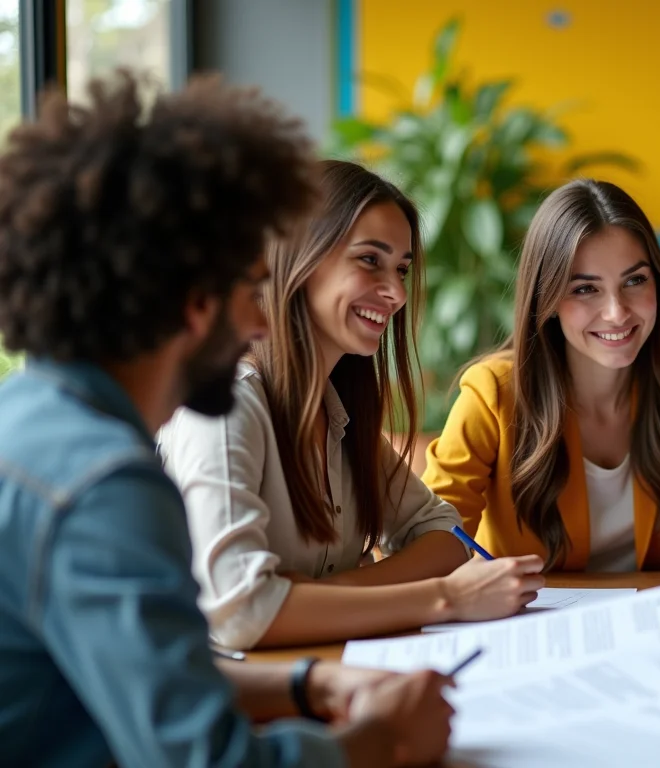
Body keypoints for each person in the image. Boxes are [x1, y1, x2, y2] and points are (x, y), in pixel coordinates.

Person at [0, 72, 455, 767]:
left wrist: (307, 682)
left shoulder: (36, 423)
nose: (258, 319)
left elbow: (158, 670)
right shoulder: (105, 486)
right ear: (193, 298)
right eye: (251, 289)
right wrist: (376, 742)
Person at [157, 160, 544, 650]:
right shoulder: (225, 405)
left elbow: (445, 534)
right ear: (300, 258)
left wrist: (321, 596)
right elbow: (241, 614)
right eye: (369, 261)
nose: (398, 293)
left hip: (324, 677)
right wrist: (445, 598)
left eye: (402, 269)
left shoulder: (335, 410)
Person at [424, 179, 660, 571]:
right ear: (547, 299)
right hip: (536, 623)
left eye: (635, 281)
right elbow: (432, 539)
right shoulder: (492, 393)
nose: (617, 313)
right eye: (586, 289)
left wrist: (657, 598)